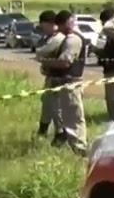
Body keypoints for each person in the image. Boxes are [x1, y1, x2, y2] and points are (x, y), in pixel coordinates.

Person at [36, 9, 87, 153]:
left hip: (71, 83)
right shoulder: (69, 38)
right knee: (67, 117)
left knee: (73, 118)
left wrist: (46, 62)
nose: (59, 29)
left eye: (60, 25)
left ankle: (80, 150)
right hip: (65, 82)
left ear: (66, 23)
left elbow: (65, 62)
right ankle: (74, 147)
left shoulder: (73, 39)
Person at [34, 10, 61, 141]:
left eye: (43, 25)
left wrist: (41, 57)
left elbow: (41, 53)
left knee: (56, 108)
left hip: (58, 78)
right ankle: (43, 131)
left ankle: (60, 135)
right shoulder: (50, 38)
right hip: (51, 77)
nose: (43, 29)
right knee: (47, 104)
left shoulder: (58, 38)